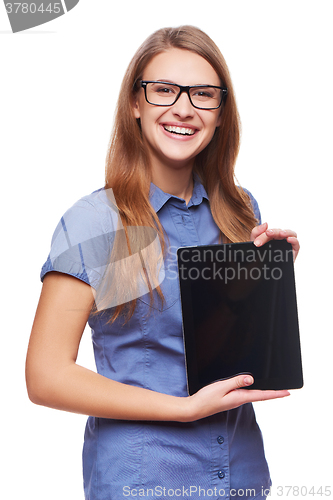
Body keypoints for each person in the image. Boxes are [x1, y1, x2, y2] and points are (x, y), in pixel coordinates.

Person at [26, 25, 300, 500]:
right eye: (164, 90)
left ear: (221, 113)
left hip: (242, 476)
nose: (184, 107)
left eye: (203, 94)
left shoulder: (238, 209)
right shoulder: (98, 222)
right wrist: (185, 409)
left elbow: (228, 345)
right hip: (144, 480)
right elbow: (46, 375)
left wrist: (272, 279)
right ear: (135, 103)